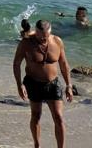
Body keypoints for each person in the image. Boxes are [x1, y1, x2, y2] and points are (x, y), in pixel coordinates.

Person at [13, 19, 73, 148]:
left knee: (59, 118)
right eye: (40, 37)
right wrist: (19, 84)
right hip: (33, 83)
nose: (43, 40)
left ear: (50, 32)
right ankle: (37, 145)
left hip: (53, 84)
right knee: (36, 116)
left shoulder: (57, 41)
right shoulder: (26, 43)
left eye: (46, 37)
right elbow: (16, 63)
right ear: (36, 32)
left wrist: (69, 85)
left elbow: (63, 64)